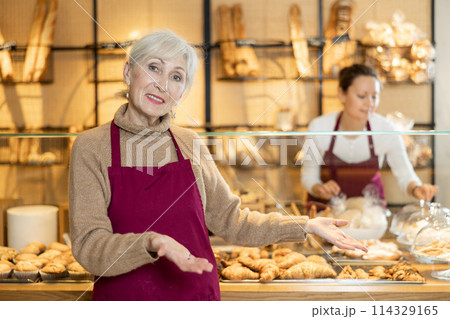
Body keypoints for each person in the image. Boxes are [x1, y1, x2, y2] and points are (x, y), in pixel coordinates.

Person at [69, 30, 367, 301]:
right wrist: (151, 242)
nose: (162, 83)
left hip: (196, 297)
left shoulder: (189, 143)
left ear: (182, 92)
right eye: (154, 67)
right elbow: (89, 245)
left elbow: (233, 221)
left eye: (177, 76)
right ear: (127, 71)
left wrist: (305, 224)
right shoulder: (91, 147)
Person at [301, 64, 438, 203]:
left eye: (374, 97)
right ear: (341, 94)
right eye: (362, 96)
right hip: (325, 212)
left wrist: (417, 188)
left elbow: (404, 173)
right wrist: (319, 188)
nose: (369, 103)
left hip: (370, 214)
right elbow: (308, 176)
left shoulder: (385, 129)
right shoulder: (319, 127)